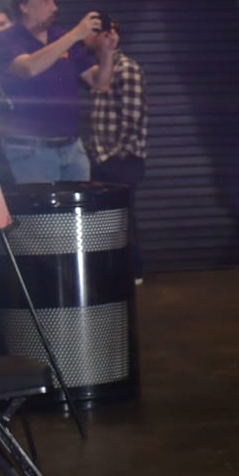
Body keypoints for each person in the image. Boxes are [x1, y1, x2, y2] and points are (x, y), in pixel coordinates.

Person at [0, 0, 99, 184]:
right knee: (44, 215)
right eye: (45, 2)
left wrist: (107, 52)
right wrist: (75, 35)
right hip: (31, 147)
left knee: (79, 213)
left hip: (72, 145)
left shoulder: (61, 35)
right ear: (24, 7)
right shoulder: (6, 39)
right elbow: (29, 67)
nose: (53, 7)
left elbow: (97, 81)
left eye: (54, 0)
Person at [81, 15, 147, 282]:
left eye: (91, 33)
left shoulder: (126, 68)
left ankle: (133, 272)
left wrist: (114, 156)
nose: (85, 38)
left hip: (121, 159)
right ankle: (115, 272)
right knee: (109, 218)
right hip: (101, 156)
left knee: (123, 217)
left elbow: (132, 118)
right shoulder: (94, 70)